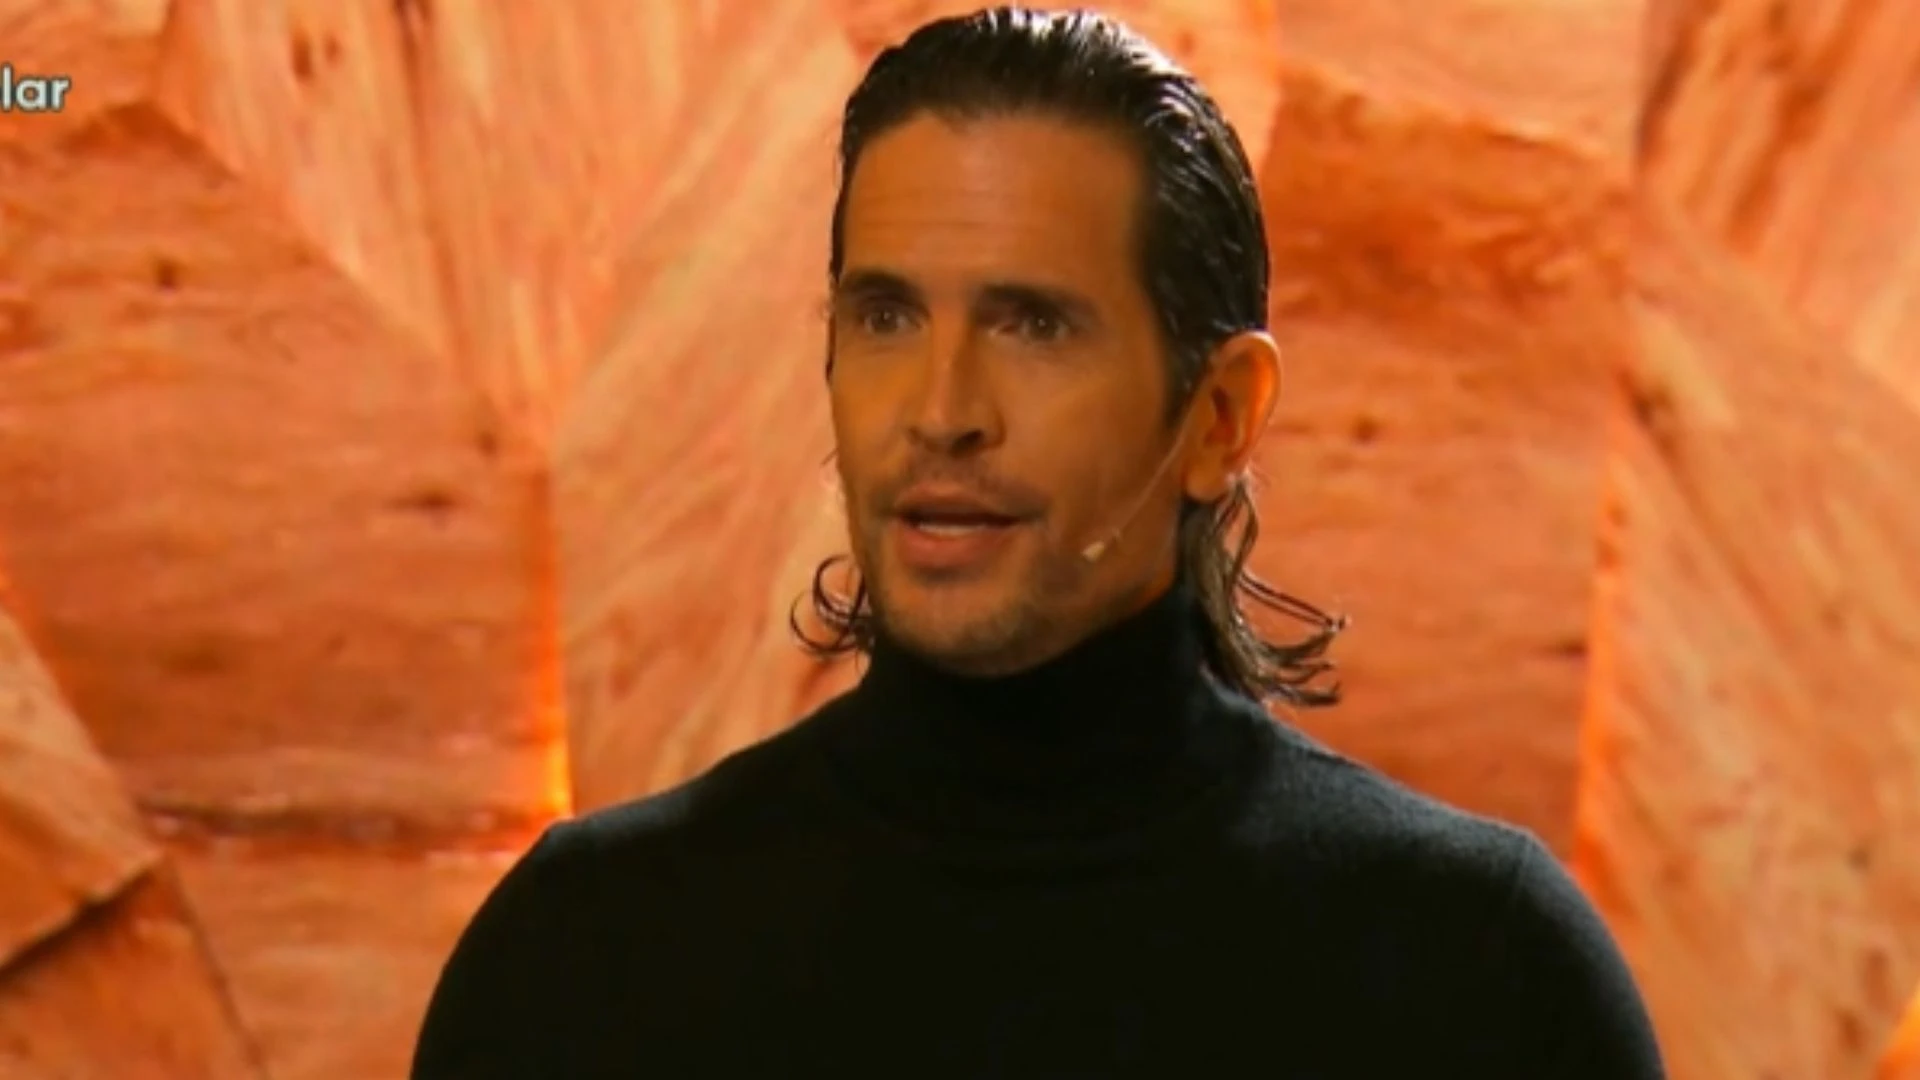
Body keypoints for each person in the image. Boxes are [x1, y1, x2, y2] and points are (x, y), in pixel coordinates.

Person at [411, 7, 1666, 1078]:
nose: (942, 410)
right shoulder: (586, 955)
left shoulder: (1479, 974)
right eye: (888, 316)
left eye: (1033, 325)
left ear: (1220, 417)